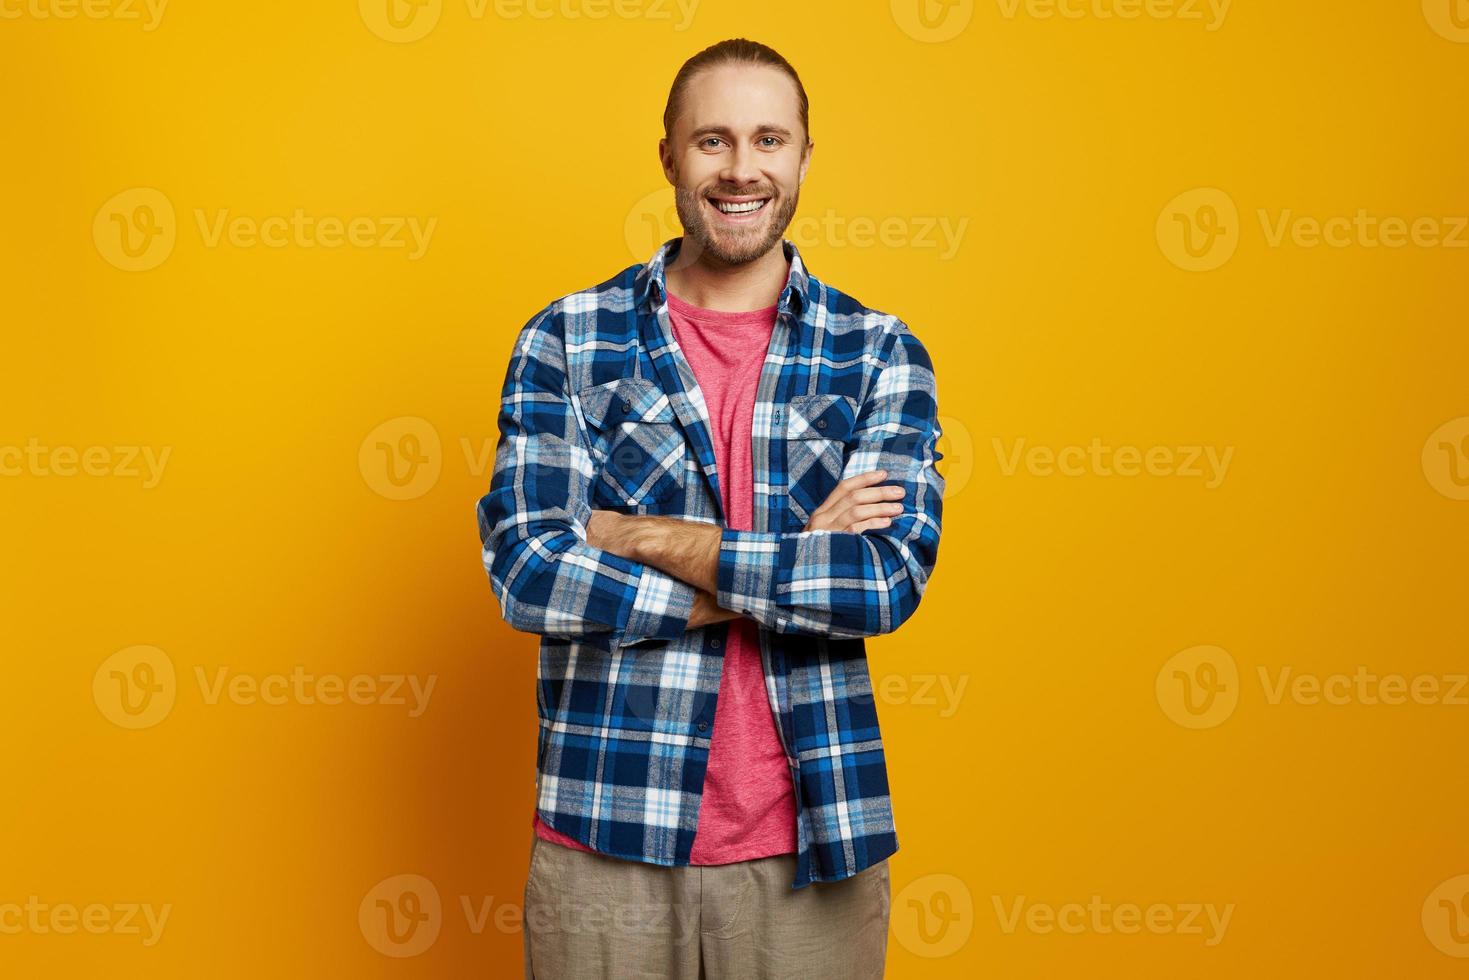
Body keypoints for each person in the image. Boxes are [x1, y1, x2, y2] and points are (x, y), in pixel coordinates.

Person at [476, 37, 945, 979]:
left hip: (814, 841)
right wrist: (788, 564)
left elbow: (882, 584)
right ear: (668, 159)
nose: (741, 169)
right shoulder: (565, 339)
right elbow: (528, 572)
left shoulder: (879, 351)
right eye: (712, 141)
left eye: (768, 140)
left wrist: (636, 535)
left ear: (804, 157)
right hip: (602, 831)